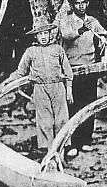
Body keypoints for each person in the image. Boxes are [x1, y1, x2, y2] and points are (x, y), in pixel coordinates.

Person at [5, 19, 73, 151]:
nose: (43, 37)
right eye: (40, 34)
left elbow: (68, 71)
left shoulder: (58, 49)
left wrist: (69, 89)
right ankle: (49, 152)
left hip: (58, 87)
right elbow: (21, 71)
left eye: (45, 33)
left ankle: (61, 152)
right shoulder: (30, 51)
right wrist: (8, 81)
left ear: (50, 34)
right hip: (40, 89)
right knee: (46, 123)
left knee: (61, 120)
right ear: (35, 36)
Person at [58, 0, 107, 158]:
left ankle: (85, 140)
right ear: (72, 6)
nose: (81, 6)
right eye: (77, 3)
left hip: (90, 68)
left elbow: (104, 34)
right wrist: (80, 30)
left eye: (84, 3)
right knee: (72, 105)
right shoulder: (66, 21)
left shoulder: (92, 21)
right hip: (72, 70)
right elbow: (66, 35)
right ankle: (71, 143)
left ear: (87, 4)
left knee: (89, 104)